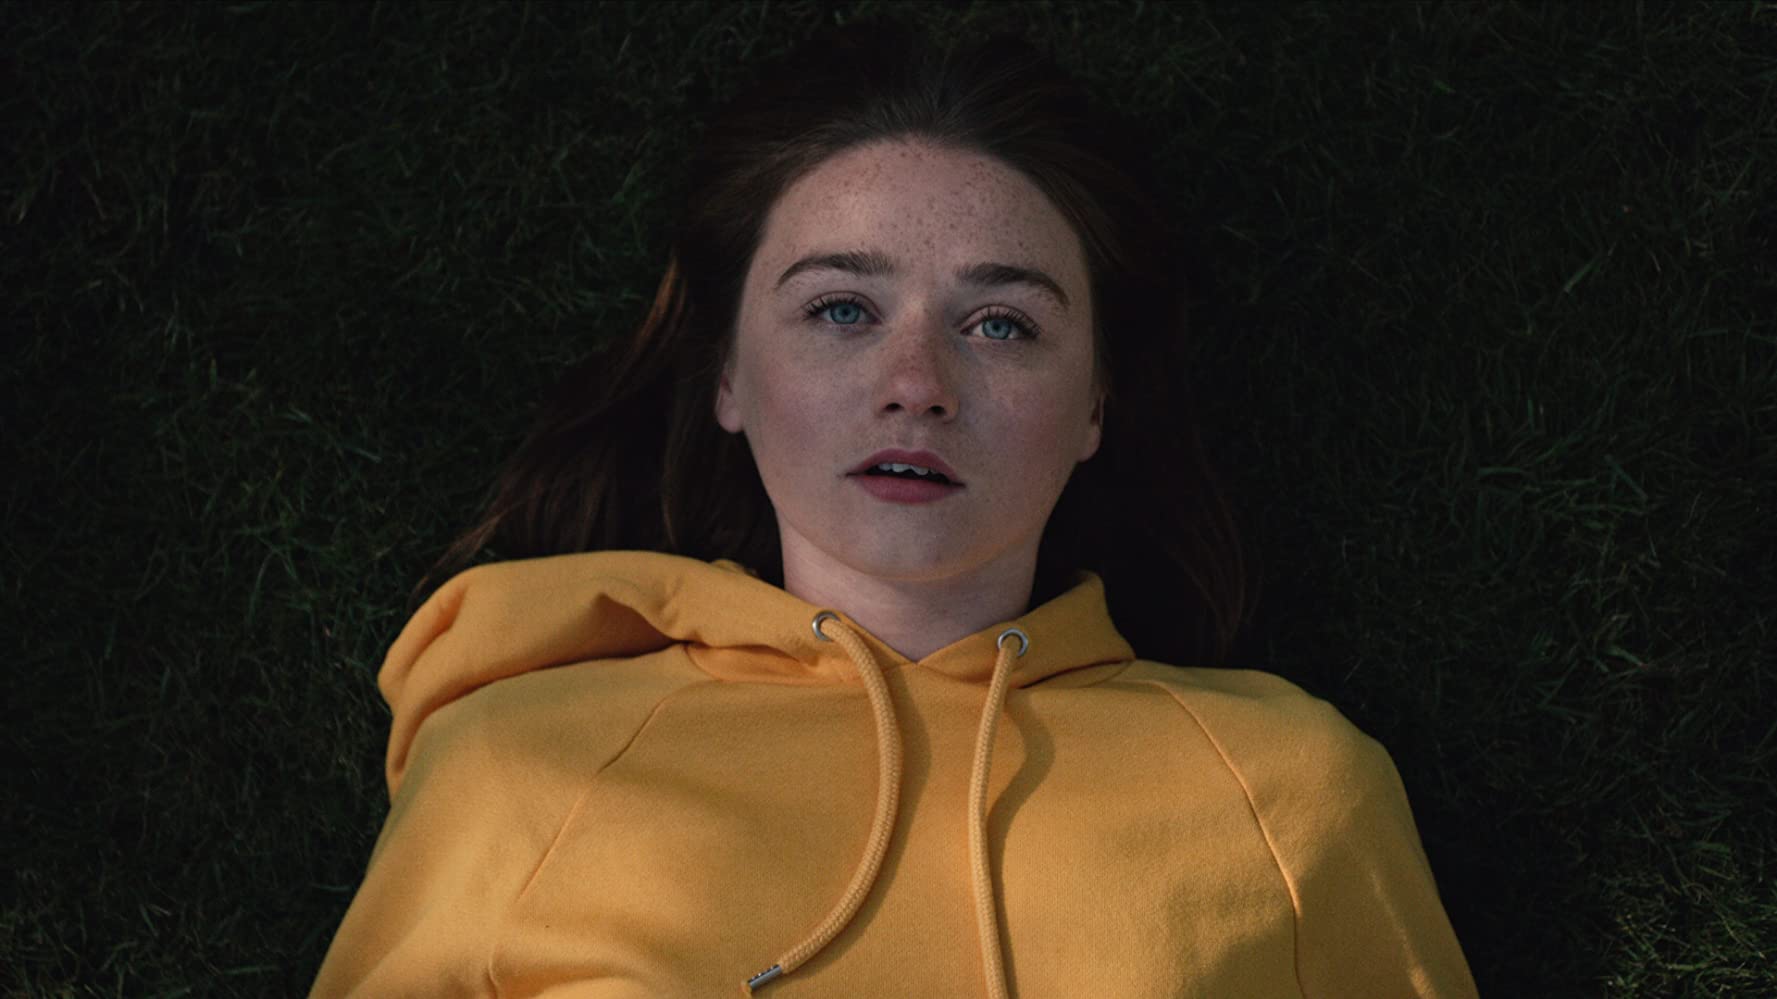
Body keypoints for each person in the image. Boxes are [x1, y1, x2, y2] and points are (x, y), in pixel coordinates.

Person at [312, 16, 1478, 998]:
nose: (916, 384)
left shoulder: (1293, 795)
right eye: (840, 310)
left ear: (1095, 405)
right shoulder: (517, 769)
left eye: (1001, 324)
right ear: (727, 375)